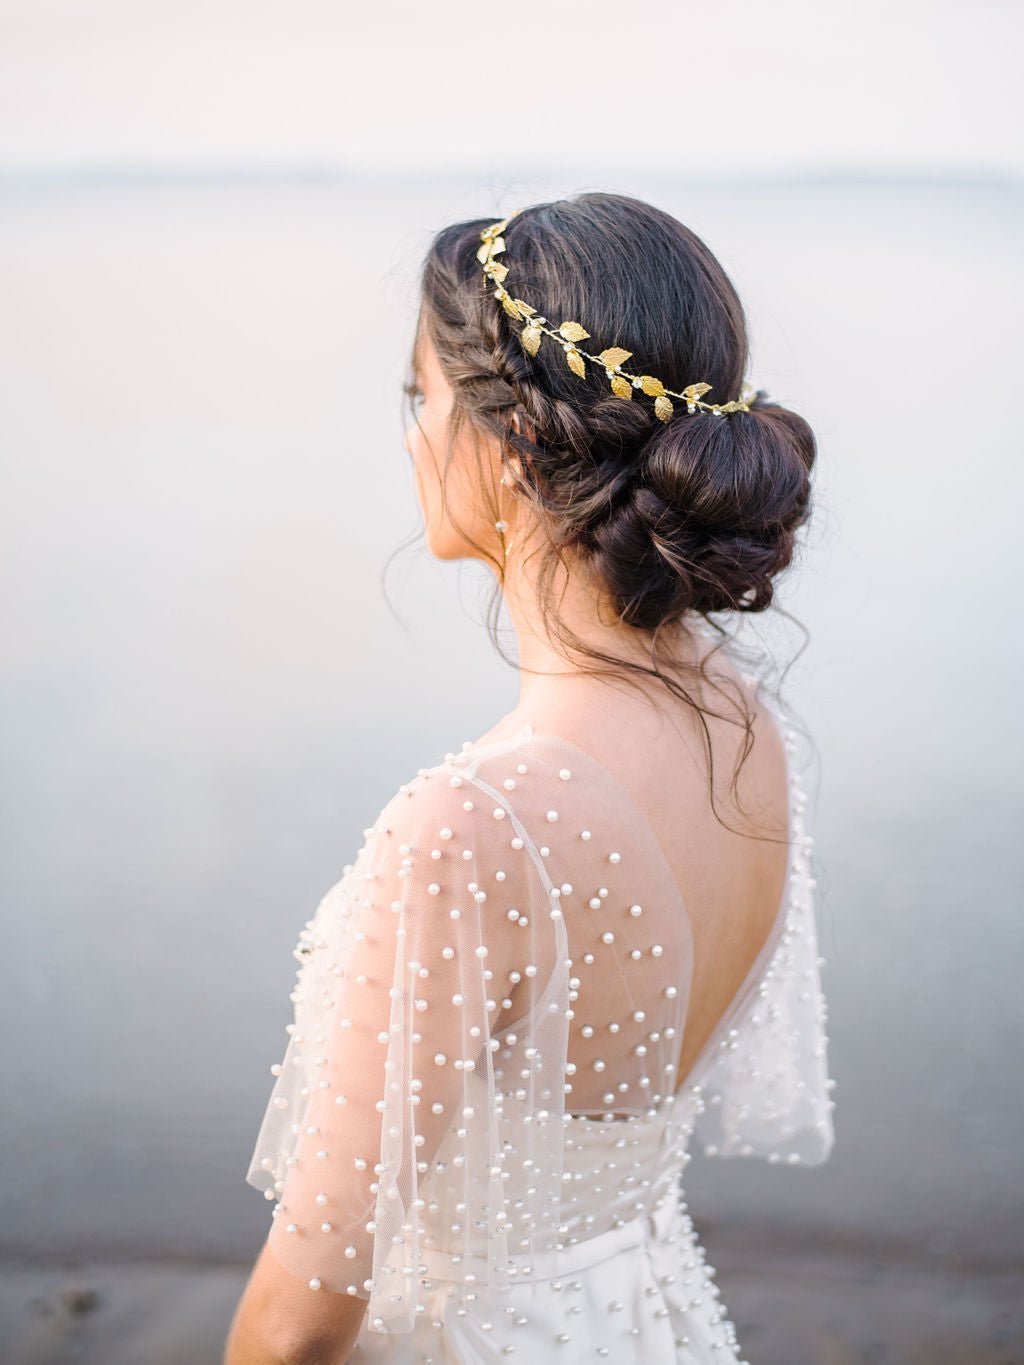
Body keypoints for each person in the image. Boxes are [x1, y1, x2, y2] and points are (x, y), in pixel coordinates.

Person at [225, 191, 836, 1365]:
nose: (412, 440)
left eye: (424, 399)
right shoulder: (749, 727)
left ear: (506, 448)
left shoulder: (475, 827)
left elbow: (298, 1323)